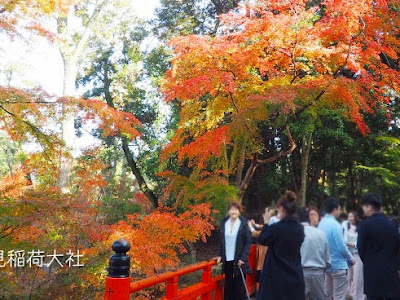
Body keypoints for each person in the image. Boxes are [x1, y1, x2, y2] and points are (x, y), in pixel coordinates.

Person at [257, 191, 305, 300]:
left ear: (282, 209)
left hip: (276, 277)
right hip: (295, 275)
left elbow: (263, 239)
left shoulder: (277, 228)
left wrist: (266, 222)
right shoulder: (299, 229)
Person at [357, 193, 400, 300]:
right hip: (391, 273)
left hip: (372, 273)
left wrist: (369, 260)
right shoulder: (393, 224)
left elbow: (361, 249)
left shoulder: (364, 225)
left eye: (364, 207)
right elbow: (397, 248)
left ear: (369, 207)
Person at [318, 197, 355, 300]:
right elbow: (341, 247)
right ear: (335, 209)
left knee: (326, 295)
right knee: (339, 296)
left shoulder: (321, 224)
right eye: (339, 208)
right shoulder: (336, 225)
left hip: (326, 265)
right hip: (338, 265)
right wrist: (351, 259)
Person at [216, 202, 252, 300]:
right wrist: (219, 254)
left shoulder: (243, 224)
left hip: (239, 261)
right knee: (228, 288)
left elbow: (248, 242)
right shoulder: (224, 223)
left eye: (236, 210)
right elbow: (221, 241)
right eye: (232, 209)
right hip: (227, 260)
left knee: (239, 289)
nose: (233, 212)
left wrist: (243, 258)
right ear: (228, 211)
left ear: (239, 212)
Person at [300, 215, 331, 300]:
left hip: (301, 272)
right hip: (318, 273)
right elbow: (327, 259)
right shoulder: (321, 233)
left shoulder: (296, 233)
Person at [343, 211, 365, 300]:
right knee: (348, 276)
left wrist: (355, 244)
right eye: (349, 216)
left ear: (355, 217)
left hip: (357, 255)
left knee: (357, 276)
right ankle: (349, 294)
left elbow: (362, 241)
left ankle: (358, 296)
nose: (350, 218)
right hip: (348, 255)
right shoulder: (345, 227)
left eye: (351, 216)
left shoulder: (360, 228)